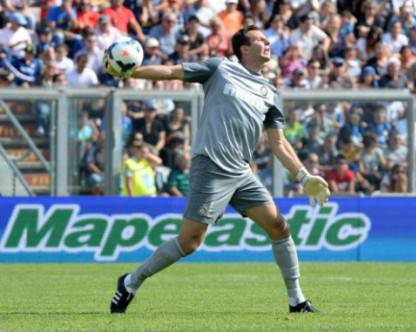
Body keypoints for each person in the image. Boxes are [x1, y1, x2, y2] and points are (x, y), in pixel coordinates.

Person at [105, 26, 330, 314]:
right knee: (189, 243)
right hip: (211, 164)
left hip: (242, 172)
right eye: (260, 39)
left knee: (278, 226)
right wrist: (131, 73)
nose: (267, 42)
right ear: (244, 49)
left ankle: (296, 300)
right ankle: (130, 282)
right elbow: (173, 72)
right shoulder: (220, 68)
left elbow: (279, 143)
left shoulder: (270, 93)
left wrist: (303, 176)